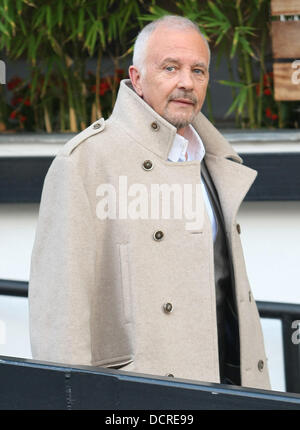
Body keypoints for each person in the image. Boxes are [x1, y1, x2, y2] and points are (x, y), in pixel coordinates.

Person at [29, 15, 270, 389]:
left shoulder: (211, 157)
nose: (186, 82)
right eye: (170, 67)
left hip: (228, 385)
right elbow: (59, 315)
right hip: (141, 393)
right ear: (137, 78)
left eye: (198, 71)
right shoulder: (87, 162)